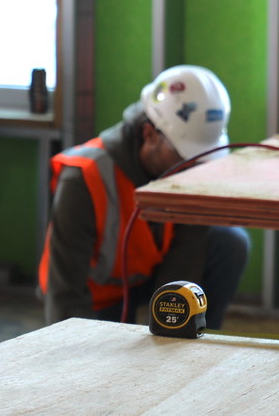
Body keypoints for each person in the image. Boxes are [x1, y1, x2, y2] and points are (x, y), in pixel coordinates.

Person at [38, 64, 250, 329]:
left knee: (228, 242)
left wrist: (173, 333)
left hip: (146, 279)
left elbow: (184, 263)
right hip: (93, 298)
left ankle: (203, 340)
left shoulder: (190, 169)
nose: (193, 168)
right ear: (149, 134)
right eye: (184, 155)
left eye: (200, 158)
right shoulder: (85, 178)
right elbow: (65, 289)